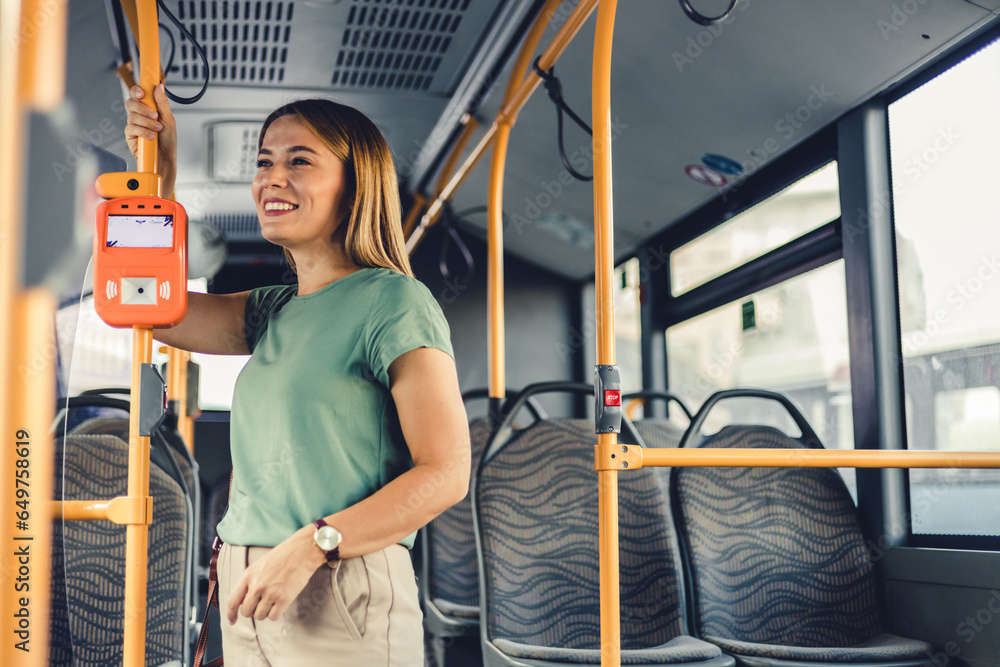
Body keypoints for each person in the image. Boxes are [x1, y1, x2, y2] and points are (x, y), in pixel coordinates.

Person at [124, 84, 471, 666]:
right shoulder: (273, 309)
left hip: (339, 585)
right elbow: (147, 305)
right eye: (263, 162)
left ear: (354, 184)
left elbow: (446, 473)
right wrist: (157, 177)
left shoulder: (394, 301)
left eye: (299, 161)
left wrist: (314, 546)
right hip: (246, 587)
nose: (271, 178)